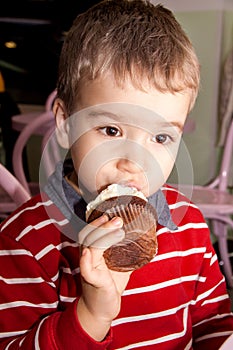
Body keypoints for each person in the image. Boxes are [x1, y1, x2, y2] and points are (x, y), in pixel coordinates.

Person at [0, 0, 232, 349]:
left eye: (161, 137)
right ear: (65, 124)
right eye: (111, 130)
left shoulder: (192, 227)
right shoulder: (24, 242)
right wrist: (91, 316)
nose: (134, 162)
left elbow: (213, 321)